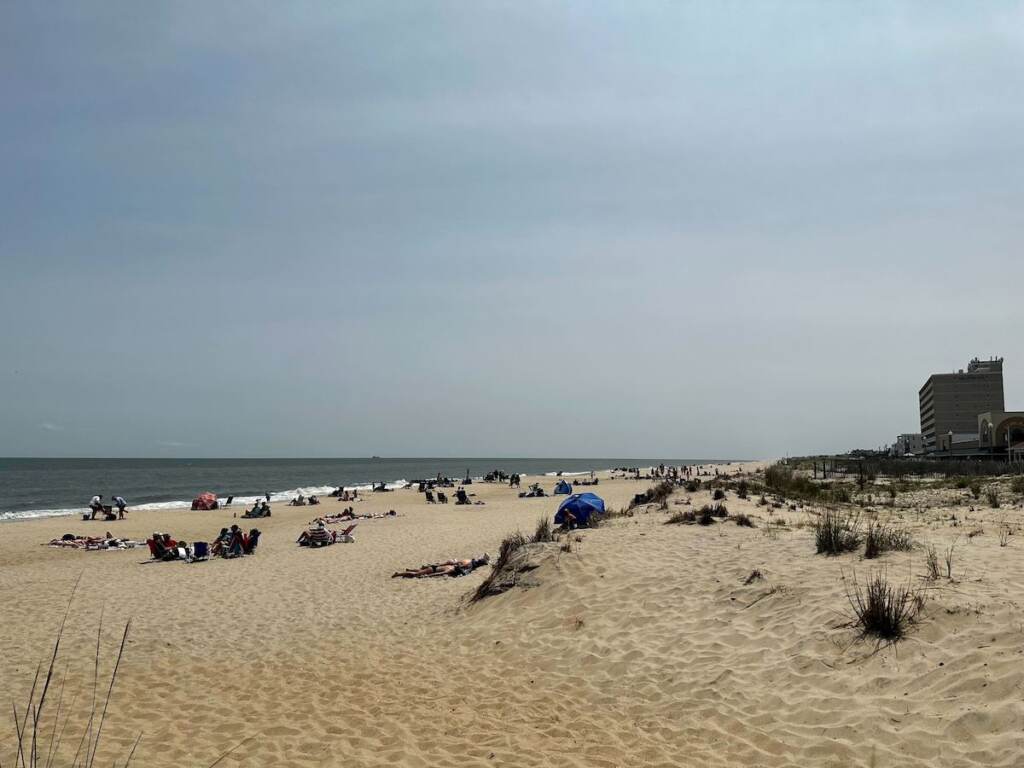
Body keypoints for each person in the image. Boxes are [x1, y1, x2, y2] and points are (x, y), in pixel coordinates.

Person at [391, 555, 489, 579]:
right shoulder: (450, 570)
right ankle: (398, 574)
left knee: (423, 570)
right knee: (416, 574)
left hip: (435, 567)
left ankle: (409, 570)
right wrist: (429, 576)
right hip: (434, 569)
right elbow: (440, 573)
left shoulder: (452, 567)